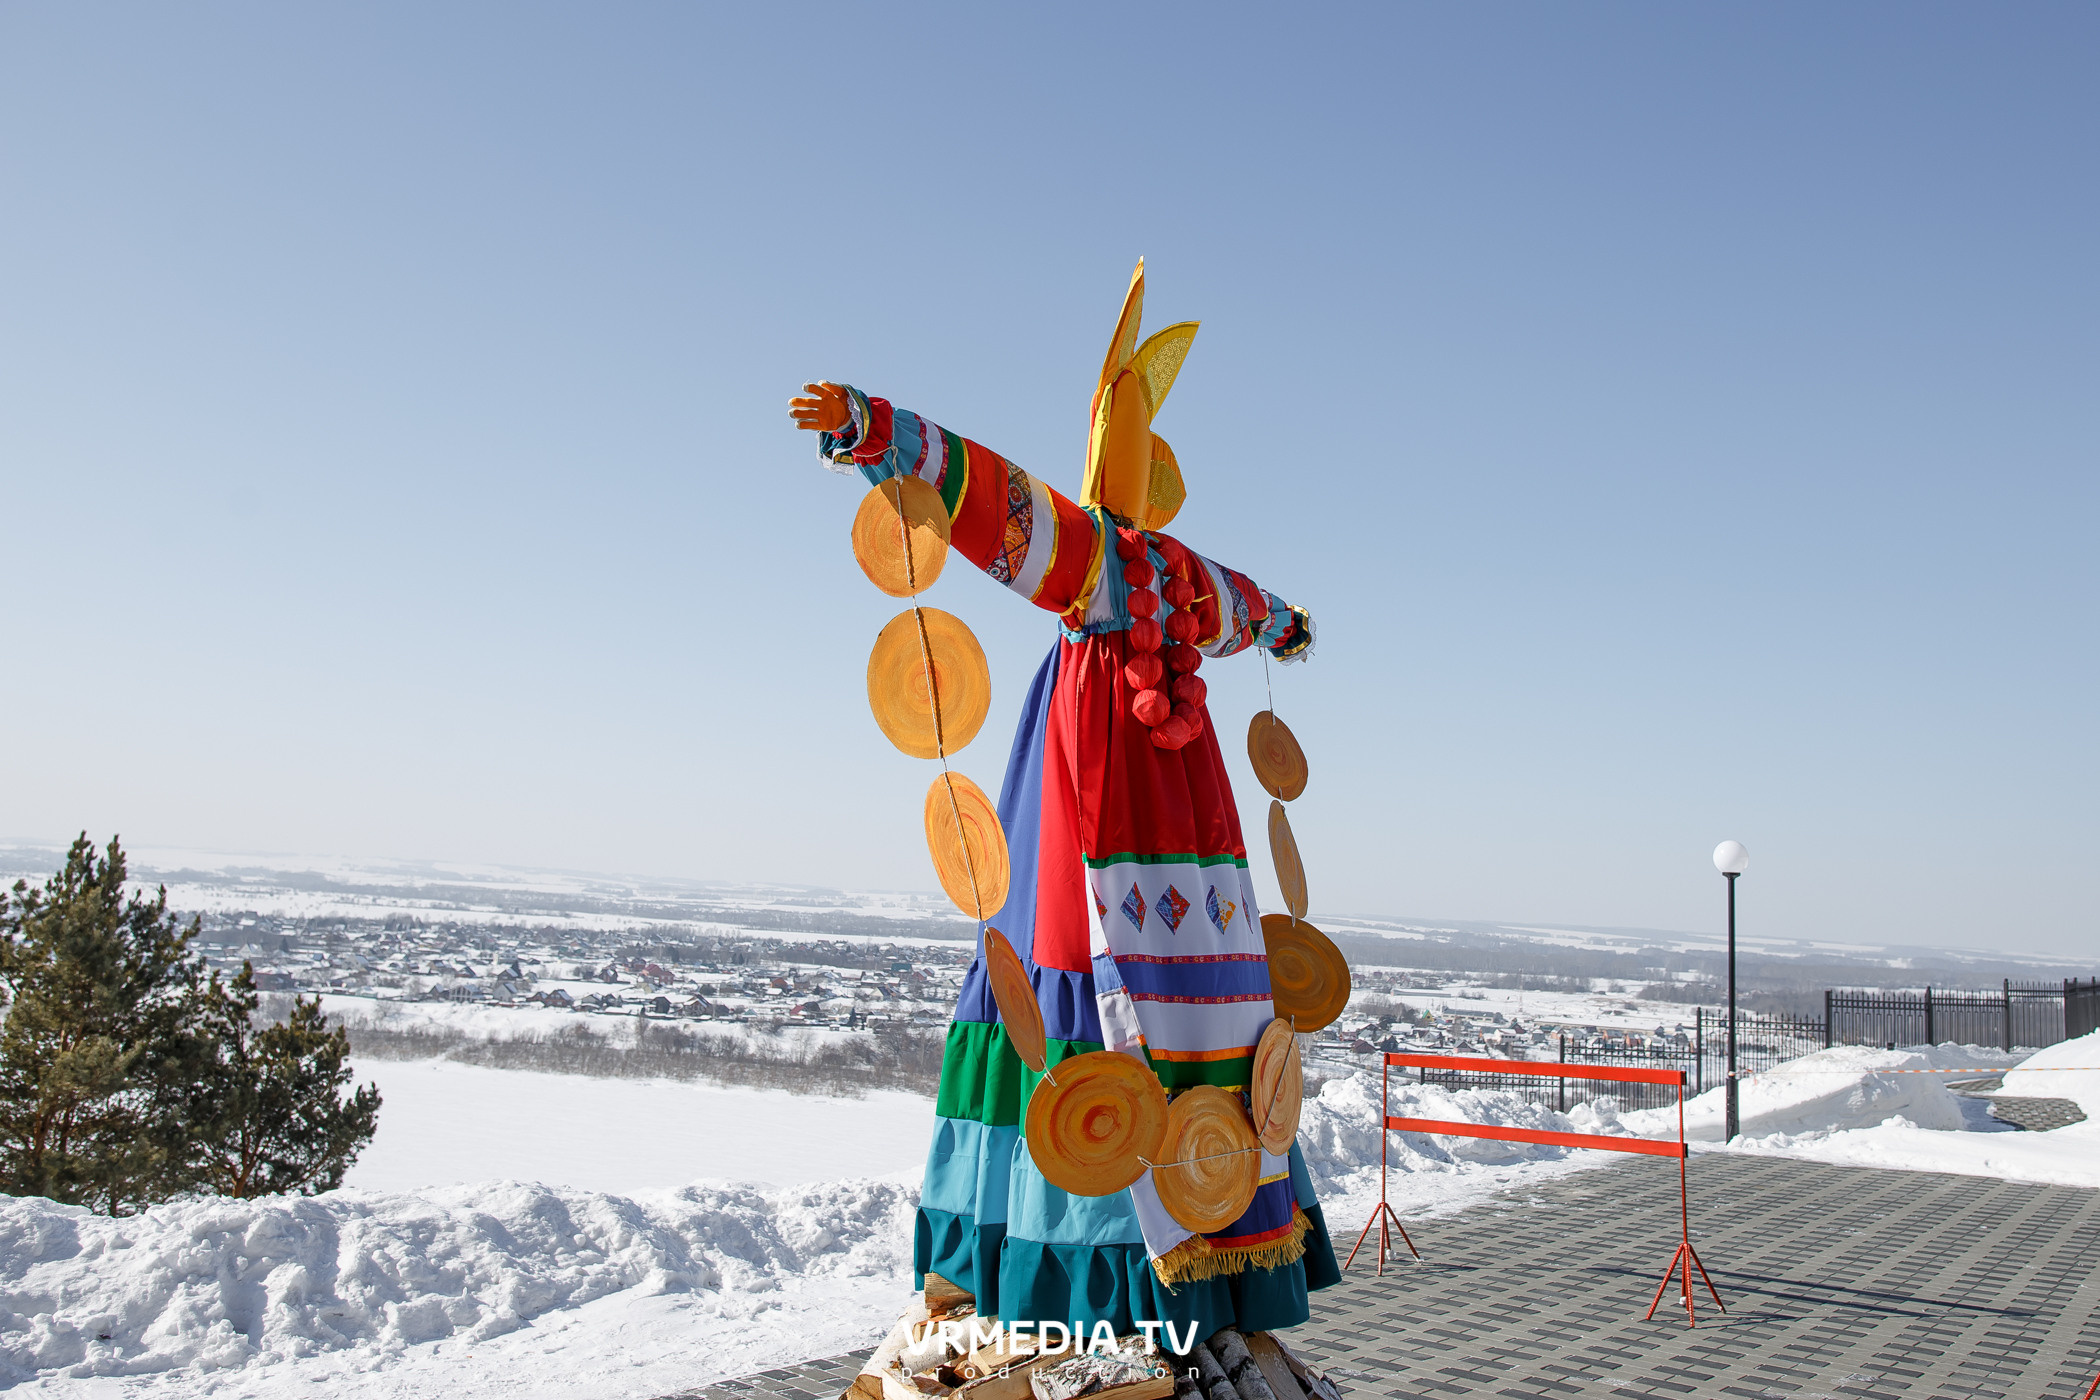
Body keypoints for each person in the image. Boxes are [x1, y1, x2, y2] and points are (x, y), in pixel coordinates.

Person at [790, 262, 1336, 1343]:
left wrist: (870, 427)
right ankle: (1216, 1238)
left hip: (1095, 788)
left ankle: (1068, 1258)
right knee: (1194, 987)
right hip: (1192, 819)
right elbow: (1250, 607)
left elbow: (985, 496)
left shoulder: (1094, 556)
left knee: (1067, 955)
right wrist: (1286, 626)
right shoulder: (1181, 575)